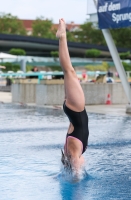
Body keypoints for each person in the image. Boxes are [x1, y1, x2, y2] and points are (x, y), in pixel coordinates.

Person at [56, 19, 89, 174]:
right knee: (68, 72)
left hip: (76, 110)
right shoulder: (71, 152)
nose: (85, 163)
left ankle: (62, 36)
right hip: (72, 111)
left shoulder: (74, 155)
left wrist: (77, 175)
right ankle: (62, 36)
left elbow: (77, 175)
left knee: (69, 71)